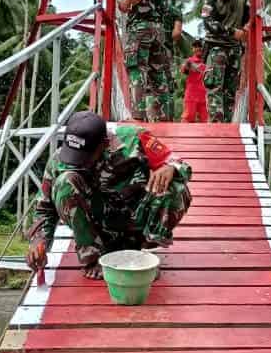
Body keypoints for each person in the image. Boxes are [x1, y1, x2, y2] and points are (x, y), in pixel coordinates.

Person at [26, 110, 193, 279]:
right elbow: (44, 208)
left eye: (86, 156)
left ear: (104, 144)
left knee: (176, 187)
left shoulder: (134, 139)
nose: (80, 162)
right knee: (64, 182)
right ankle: (93, 257)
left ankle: (141, 251)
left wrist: (169, 167)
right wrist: (38, 241)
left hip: (134, 220)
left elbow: (179, 163)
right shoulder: (60, 159)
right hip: (98, 225)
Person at [116, 0, 179, 122]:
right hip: (158, 30)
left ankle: (138, 116)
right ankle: (165, 117)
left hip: (141, 28)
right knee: (158, 75)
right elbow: (168, 6)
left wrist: (126, 3)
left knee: (136, 69)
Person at [202, 0, 251, 122]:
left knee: (230, 91)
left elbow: (251, 18)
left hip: (234, 50)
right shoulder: (210, 1)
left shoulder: (242, 0)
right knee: (215, 87)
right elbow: (209, 23)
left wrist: (248, 26)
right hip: (217, 48)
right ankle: (216, 125)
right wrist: (232, 32)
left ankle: (228, 125)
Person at [180, 39, 208, 123]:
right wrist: (187, 65)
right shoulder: (189, 61)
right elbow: (184, 69)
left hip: (205, 97)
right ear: (192, 49)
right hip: (191, 95)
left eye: (200, 46)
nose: (198, 48)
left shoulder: (208, 61)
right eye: (195, 46)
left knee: (206, 121)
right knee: (187, 119)